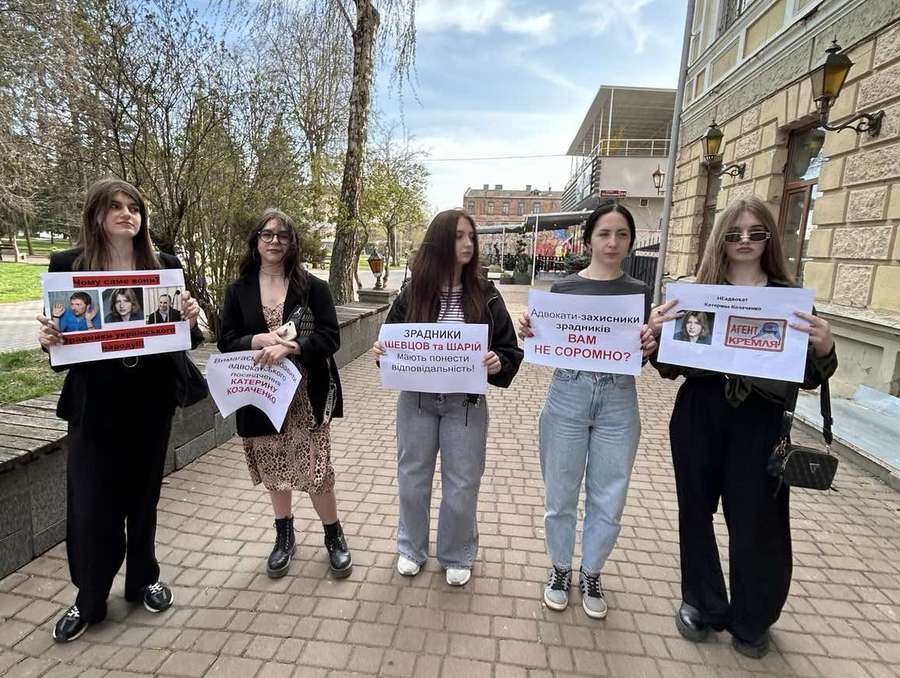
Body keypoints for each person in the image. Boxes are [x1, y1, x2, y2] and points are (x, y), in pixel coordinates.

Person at [648, 196, 837, 658]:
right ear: (722, 240)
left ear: (770, 238)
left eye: (756, 233)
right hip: (700, 415)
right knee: (695, 511)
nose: (746, 241)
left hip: (760, 421)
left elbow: (810, 375)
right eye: (735, 234)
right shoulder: (696, 294)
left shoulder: (788, 298)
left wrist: (825, 347)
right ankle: (701, 601)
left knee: (758, 520)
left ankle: (753, 618)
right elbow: (669, 368)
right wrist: (658, 337)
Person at [37, 178, 203, 643]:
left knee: (143, 500)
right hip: (95, 405)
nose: (127, 213)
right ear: (96, 215)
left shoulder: (164, 266)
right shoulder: (68, 266)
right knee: (92, 504)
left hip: (150, 402)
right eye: (116, 206)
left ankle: (144, 580)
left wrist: (191, 321)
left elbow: (185, 339)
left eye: (134, 207)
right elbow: (60, 347)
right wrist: (49, 340)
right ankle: (89, 597)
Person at [517, 202, 657, 620]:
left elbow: (638, 353)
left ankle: (592, 571)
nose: (613, 242)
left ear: (631, 242)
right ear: (589, 239)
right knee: (560, 492)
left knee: (609, 495)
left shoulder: (639, 292)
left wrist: (651, 345)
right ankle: (560, 568)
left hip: (618, 398)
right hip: (568, 393)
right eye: (604, 234)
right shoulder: (564, 290)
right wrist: (531, 329)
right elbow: (548, 340)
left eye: (622, 235)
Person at [373, 209, 523, 586]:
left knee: (462, 482)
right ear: (440, 241)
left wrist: (497, 362)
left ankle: (457, 553)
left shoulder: (486, 294)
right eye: (458, 236)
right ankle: (411, 548)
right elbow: (391, 344)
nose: (468, 243)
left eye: (471, 236)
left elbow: (509, 349)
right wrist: (382, 353)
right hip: (417, 401)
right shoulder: (413, 293)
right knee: (412, 478)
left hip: (465, 405)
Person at [218, 208, 352, 580]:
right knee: (274, 469)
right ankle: (284, 537)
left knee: (316, 470)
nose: (274, 241)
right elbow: (226, 340)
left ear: (292, 243)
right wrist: (257, 340)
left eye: (283, 235)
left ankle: (333, 535)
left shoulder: (313, 287)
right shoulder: (238, 290)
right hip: (261, 395)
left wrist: (292, 348)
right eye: (267, 234)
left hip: (306, 396)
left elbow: (330, 338)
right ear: (256, 241)